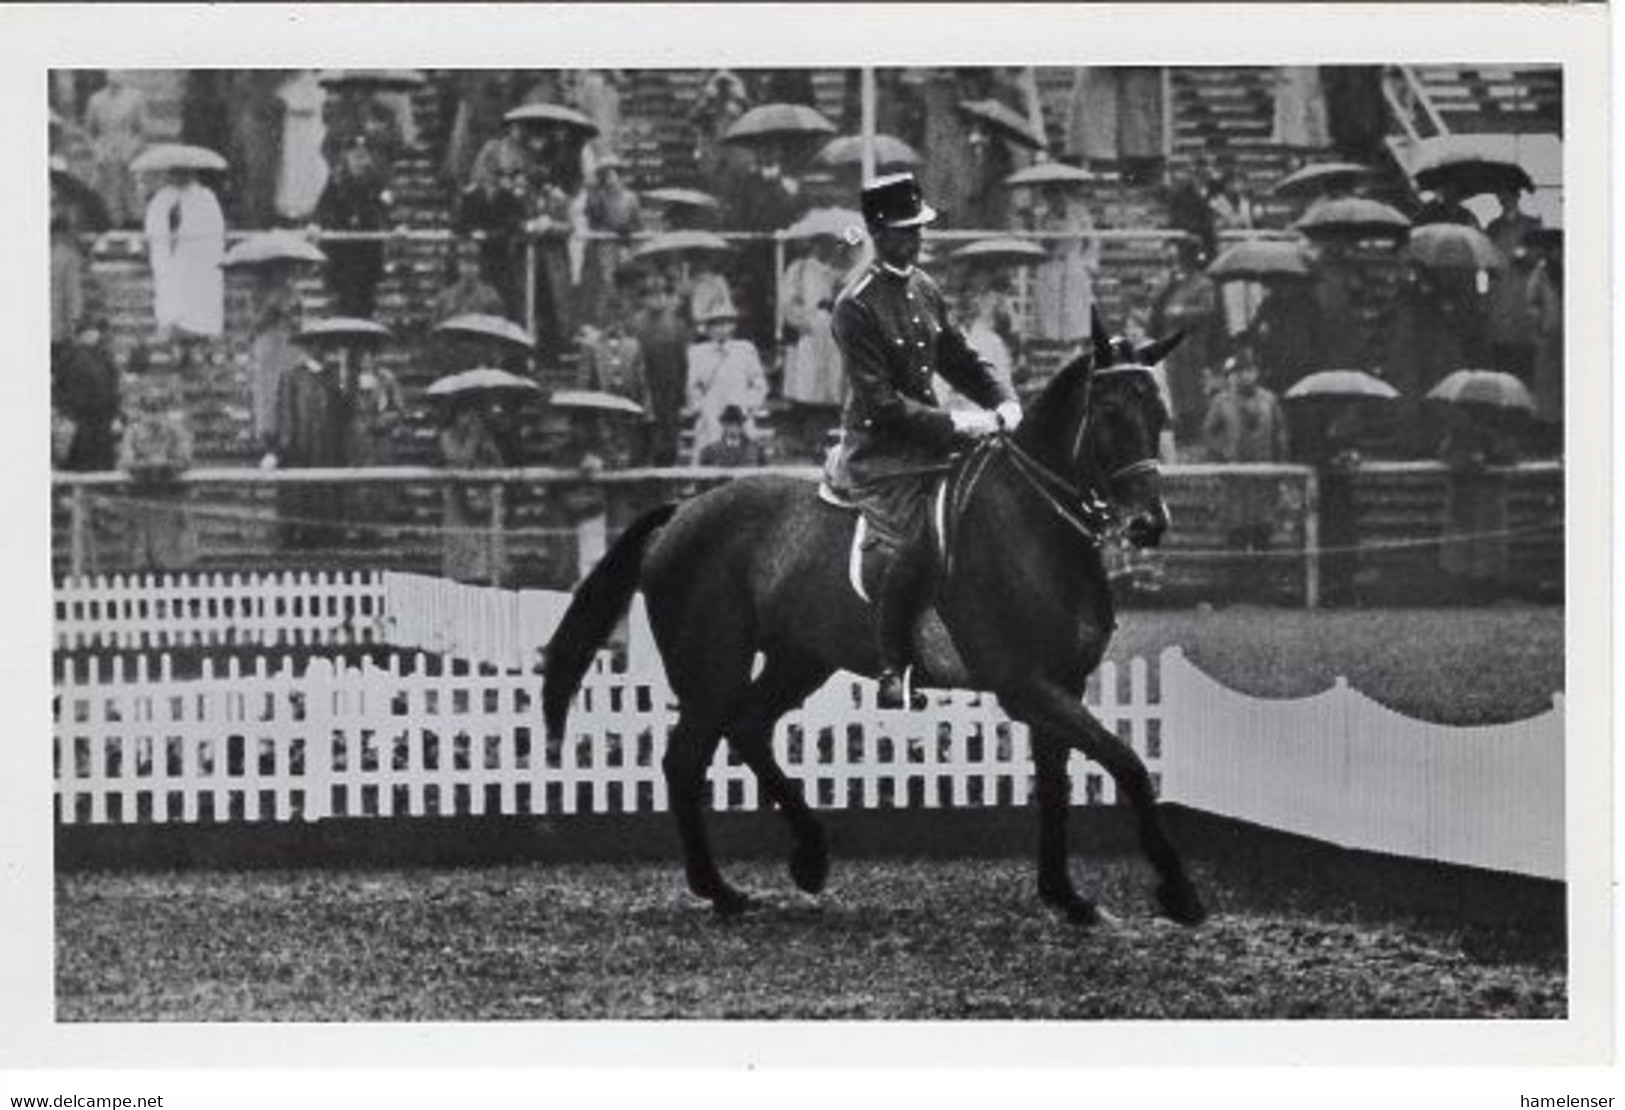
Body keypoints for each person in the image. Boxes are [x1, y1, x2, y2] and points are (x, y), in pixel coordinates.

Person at [824, 173, 1021, 710]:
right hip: (881, 453)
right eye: (905, 230)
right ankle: (894, 666)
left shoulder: (925, 288)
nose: (915, 240)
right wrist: (962, 424)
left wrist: (1003, 401)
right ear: (878, 231)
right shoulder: (855, 306)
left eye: (919, 229)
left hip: (930, 443)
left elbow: (959, 359)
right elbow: (882, 406)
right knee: (919, 537)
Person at [1202, 348, 1290, 598]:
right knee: (1236, 532)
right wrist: (1222, 455)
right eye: (1239, 372)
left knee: (1263, 531)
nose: (1245, 377)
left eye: (1249, 371)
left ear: (1257, 372)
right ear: (1233, 375)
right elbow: (1209, 433)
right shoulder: (1221, 401)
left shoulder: (1269, 400)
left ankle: (1264, 588)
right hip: (1235, 480)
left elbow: (1281, 435)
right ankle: (1236, 588)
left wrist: (1281, 468)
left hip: (1264, 477)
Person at [143, 165, 225, 364]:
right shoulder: (163, 199)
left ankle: (198, 347)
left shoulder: (205, 197)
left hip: (197, 264)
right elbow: (155, 232)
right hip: (173, 265)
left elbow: (213, 231)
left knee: (197, 304)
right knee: (175, 301)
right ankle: (177, 348)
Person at [314, 137, 393, 319]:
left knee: (366, 301)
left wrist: (396, 226)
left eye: (363, 157)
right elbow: (323, 206)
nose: (359, 162)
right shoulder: (336, 180)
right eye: (355, 157)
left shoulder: (376, 181)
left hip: (367, 251)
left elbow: (387, 206)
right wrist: (315, 224)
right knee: (343, 300)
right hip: (342, 252)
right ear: (346, 157)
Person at [684, 306, 767, 462]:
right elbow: (693, 387)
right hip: (711, 415)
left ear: (733, 326)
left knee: (747, 457)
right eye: (715, 324)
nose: (721, 329)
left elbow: (759, 383)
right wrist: (702, 408)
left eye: (725, 323)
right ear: (708, 328)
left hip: (739, 415)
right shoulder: (697, 353)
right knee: (707, 456)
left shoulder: (745, 349)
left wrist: (747, 405)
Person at [631, 272, 691, 465]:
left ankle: (666, 482)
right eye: (652, 295)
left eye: (663, 294)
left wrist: (682, 396)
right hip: (641, 388)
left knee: (668, 440)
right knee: (641, 440)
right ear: (643, 299)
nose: (658, 299)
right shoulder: (634, 324)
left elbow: (684, 363)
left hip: (669, 391)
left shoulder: (678, 326)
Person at [83, 72, 147, 228]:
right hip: (104, 151)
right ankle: (108, 227)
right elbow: (87, 131)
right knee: (105, 194)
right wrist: (97, 151)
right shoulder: (95, 99)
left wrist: (131, 151)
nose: (115, 76)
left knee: (131, 194)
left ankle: (134, 228)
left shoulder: (135, 97)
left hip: (128, 150)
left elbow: (142, 131)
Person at [698, 404, 766, 468]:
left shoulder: (756, 450)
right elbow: (702, 477)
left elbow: (764, 475)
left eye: (738, 422)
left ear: (742, 425)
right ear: (723, 425)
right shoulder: (709, 452)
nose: (734, 427)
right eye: (729, 422)